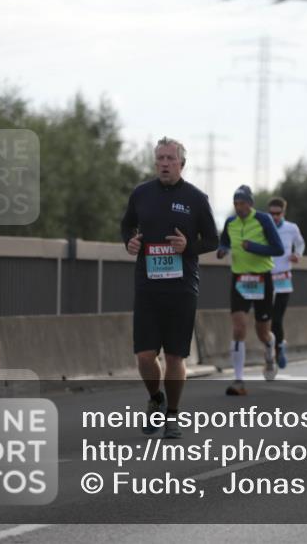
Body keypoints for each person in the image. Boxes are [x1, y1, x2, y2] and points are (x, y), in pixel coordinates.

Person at [121, 137, 219, 439]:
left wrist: (188, 246)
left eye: (170, 159)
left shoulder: (196, 199)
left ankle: (173, 415)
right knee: (145, 356)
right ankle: (156, 398)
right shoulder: (141, 194)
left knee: (176, 356)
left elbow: (213, 241)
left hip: (182, 288)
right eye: (160, 158)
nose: (164, 163)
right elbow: (127, 226)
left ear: (182, 164)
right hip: (148, 286)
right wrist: (130, 241)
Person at [217, 185, 285, 396]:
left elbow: (278, 249)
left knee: (262, 331)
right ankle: (238, 380)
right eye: (236, 204)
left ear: (251, 203)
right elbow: (225, 243)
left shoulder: (263, 220)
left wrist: (253, 247)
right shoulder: (230, 222)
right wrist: (222, 250)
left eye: (242, 203)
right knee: (238, 327)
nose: (239, 207)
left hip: (262, 279)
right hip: (239, 279)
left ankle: (270, 348)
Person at [267, 197, 306, 369]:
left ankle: (279, 347)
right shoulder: (264, 227)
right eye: (272, 213)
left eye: (278, 213)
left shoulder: (291, 228)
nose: (275, 217)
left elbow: (300, 243)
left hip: (283, 279)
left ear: (284, 212)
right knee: (266, 319)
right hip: (267, 278)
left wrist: (297, 254)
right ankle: (270, 350)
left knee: (277, 319)